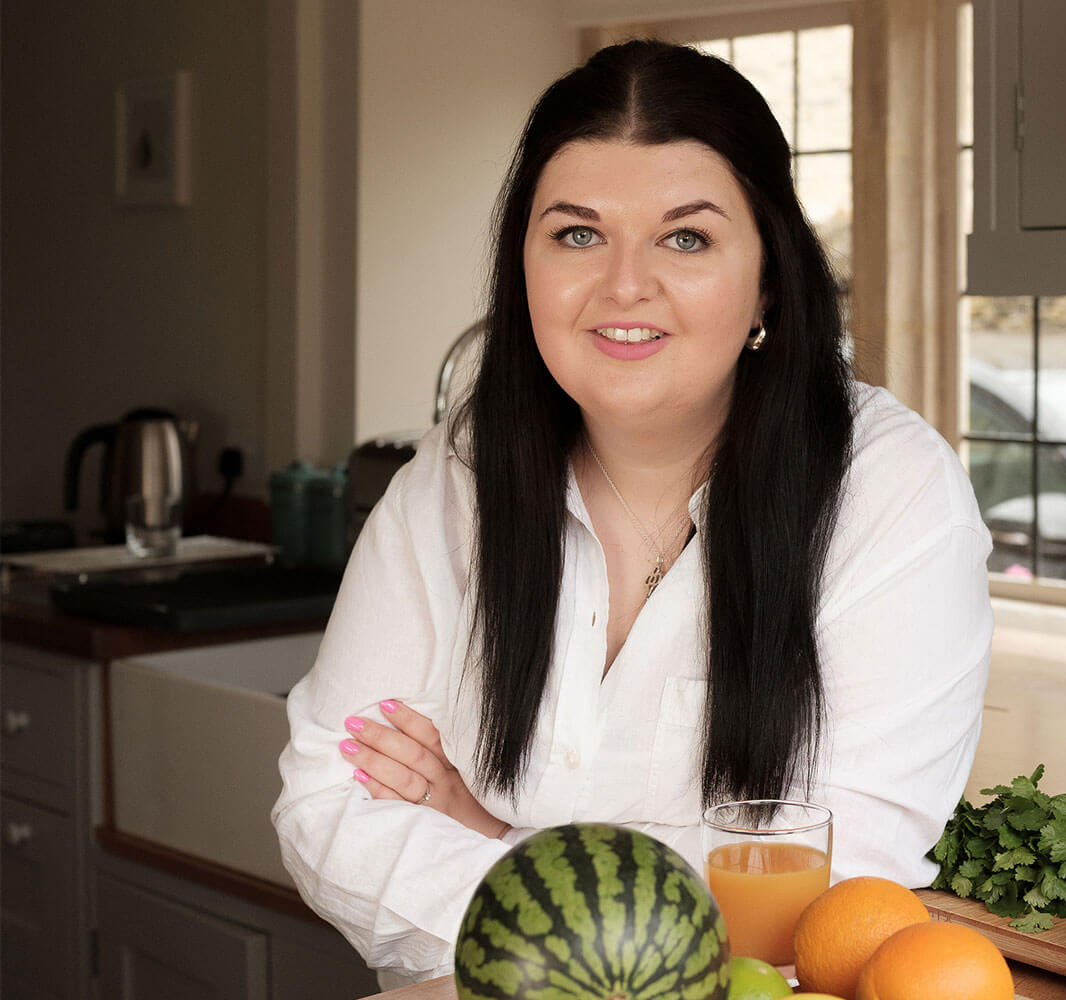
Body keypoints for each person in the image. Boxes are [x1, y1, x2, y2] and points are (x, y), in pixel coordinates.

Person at [272, 39, 993, 989]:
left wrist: (492, 835)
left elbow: (835, 883)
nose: (623, 286)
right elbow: (329, 800)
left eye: (686, 238)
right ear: (521, 263)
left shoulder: (888, 491)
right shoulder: (454, 478)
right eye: (577, 234)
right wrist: (581, 890)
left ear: (769, 277)